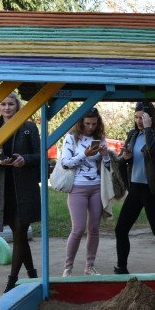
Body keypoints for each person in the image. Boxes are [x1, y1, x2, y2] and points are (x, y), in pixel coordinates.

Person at [114, 101, 155, 274]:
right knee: (121, 229)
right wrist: (125, 157)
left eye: (142, 117)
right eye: (136, 117)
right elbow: (121, 160)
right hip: (134, 189)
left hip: (150, 190)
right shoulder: (132, 134)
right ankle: (122, 268)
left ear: (150, 117)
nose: (138, 121)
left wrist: (149, 129)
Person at [0, 92, 40, 292]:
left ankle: (11, 282)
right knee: (19, 235)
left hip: (25, 189)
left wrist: (25, 159)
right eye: (3, 104)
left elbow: (40, 155)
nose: (7, 108)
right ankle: (32, 275)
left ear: (17, 106)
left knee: (20, 232)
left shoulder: (29, 128)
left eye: (10, 104)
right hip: (5, 190)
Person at [60, 108, 110, 276]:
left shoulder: (99, 138)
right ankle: (68, 268)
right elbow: (65, 163)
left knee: (94, 228)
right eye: (87, 123)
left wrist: (105, 155)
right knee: (78, 229)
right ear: (81, 122)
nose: (90, 127)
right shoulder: (71, 138)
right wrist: (85, 154)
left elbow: (107, 166)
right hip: (77, 187)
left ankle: (90, 266)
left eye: (94, 124)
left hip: (96, 187)